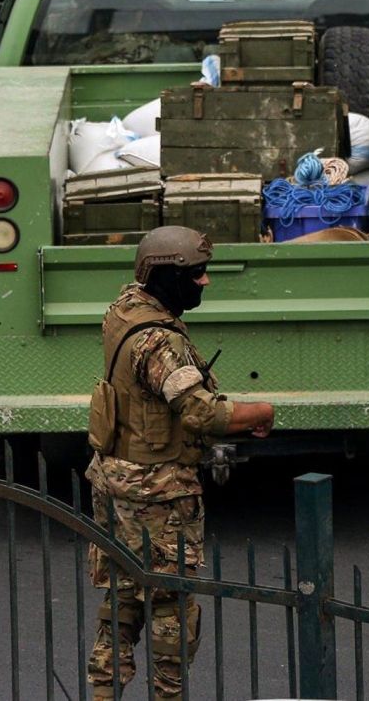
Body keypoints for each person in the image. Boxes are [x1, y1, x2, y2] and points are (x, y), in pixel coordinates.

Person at [85, 225, 275, 699]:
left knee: (122, 599)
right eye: (196, 273)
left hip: (114, 480)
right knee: (172, 607)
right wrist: (259, 412)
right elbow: (200, 412)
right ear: (168, 276)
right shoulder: (157, 343)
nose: (204, 281)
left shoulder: (125, 308)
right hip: (157, 494)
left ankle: (103, 691)